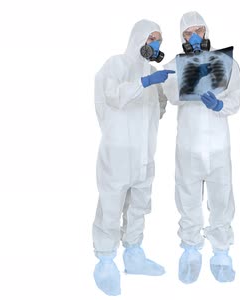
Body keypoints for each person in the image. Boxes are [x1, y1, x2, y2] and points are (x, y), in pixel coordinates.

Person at [92, 19, 174, 296]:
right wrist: (145, 81)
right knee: (111, 207)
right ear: (137, 37)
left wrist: (164, 86)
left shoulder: (153, 71)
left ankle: (134, 255)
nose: (156, 44)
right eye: (151, 38)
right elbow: (113, 97)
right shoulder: (115, 65)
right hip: (117, 154)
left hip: (144, 154)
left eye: (159, 40)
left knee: (140, 205)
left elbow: (159, 107)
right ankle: (105, 261)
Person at [162, 11, 240, 284]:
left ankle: (221, 252)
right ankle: (191, 250)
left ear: (207, 31)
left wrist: (220, 106)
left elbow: (235, 98)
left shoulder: (227, 63)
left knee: (221, 199)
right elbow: (171, 96)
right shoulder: (175, 64)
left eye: (198, 30)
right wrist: (182, 75)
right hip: (189, 147)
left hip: (218, 147)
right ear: (181, 36)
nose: (195, 37)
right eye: (188, 33)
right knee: (188, 199)